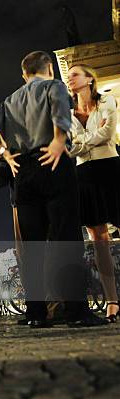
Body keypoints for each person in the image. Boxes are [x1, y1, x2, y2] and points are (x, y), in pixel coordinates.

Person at [0, 50, 106, 328]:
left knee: (31, 248)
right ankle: (76, 312)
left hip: (23, 171)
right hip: (54, 163)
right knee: (65, 239)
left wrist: (3, 152)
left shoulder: (11, 100)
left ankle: (36, 313)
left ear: (24, 74)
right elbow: (59, 108)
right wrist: (59, 140)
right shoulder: (53, 86)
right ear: (50, 70)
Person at [67, 64, 120, 323]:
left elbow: (109, 133)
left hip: (110, 168)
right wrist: (88, 140)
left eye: (75, 75)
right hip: (84, 176)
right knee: (98, 239)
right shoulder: (67, 115)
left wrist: (82, 142)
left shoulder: (108, 100)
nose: (70, 80)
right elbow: (69, 149)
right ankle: (112, 301)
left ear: (89, 79)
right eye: (68, 77)